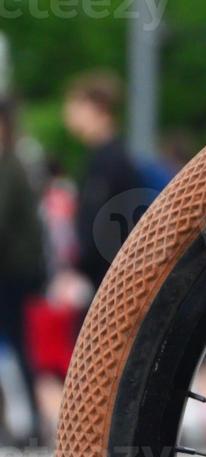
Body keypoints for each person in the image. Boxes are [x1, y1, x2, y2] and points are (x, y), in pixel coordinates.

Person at [60, 71, 143, 295]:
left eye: (75, 105)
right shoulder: (106, 157)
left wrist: (79, 266)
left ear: (96, 107)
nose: (69, 114)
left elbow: (101, 223)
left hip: (107, 276)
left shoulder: (109, 161)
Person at [0, 99, 46, 446]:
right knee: (19, 348)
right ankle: (27, 423)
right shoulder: (15, 163)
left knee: (18, 347)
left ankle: (28, 425)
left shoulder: (8, 166)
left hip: (11, 274)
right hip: (18, 272)